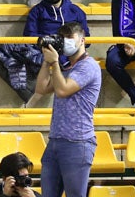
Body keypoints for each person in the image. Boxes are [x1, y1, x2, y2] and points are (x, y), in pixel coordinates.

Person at [34, 22, 100, 197]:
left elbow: (63, 90)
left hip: (77, 143)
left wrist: (55, 63)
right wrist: (46, 63)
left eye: (70, 37)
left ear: (82, 40)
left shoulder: (89, 66)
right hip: (55, 141)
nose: (66, 41)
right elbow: (41, 88)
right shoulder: (65, 67)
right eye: (63, 38)